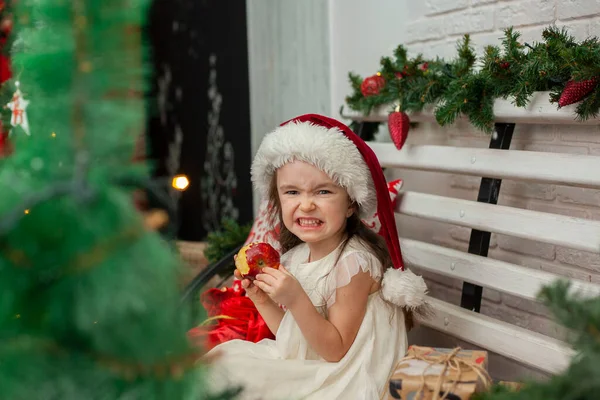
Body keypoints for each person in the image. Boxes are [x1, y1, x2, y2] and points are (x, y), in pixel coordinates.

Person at [205, 114, 428, 400]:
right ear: (278, 199)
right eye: (292, 192)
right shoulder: (297, 257)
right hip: (314, 362)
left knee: (235, 379)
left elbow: (335, 350)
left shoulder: (354, 263)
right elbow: (294, 337)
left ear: (350, 204)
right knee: (222, 362)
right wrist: (261, 299)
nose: (306, 204)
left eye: (323, 191)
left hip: (345, 377)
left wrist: (296, 298)